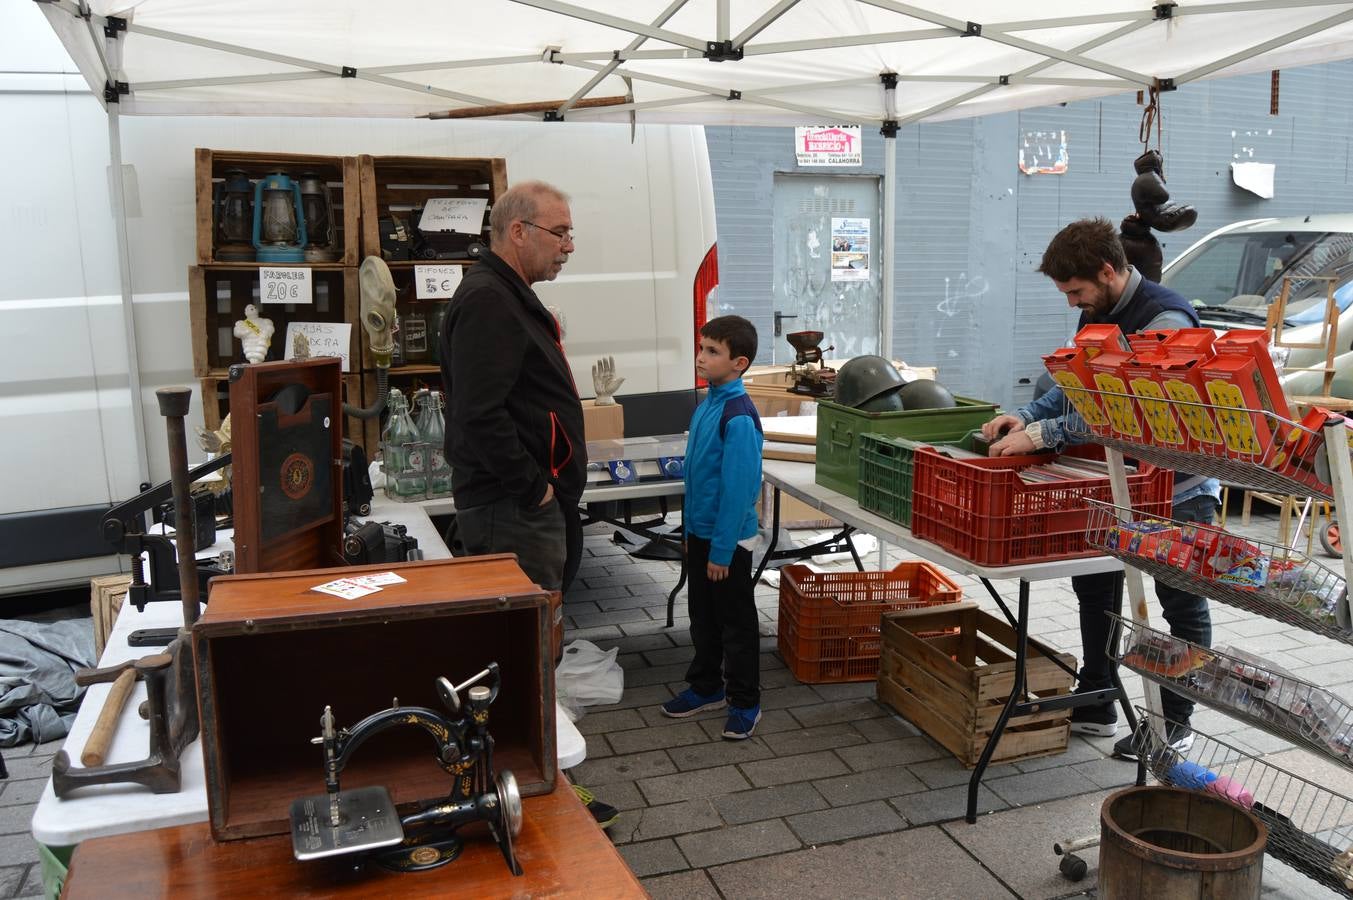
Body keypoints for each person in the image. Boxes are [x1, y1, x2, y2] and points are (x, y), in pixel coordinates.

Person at [981, 217, 1218, 759]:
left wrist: (1048, 433)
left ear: (1108, 272)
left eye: (1076, 291)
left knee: (1179, 602)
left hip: (1175, 488)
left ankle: (1171, 723)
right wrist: (1023, 417)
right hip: (1115, 484)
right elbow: (1073, 387)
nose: (1071, 303)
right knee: (1096, 587)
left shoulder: (1166, 319)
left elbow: (1135, 412)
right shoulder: (1098, 314)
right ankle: (1098, 695)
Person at [439, 180, 615, 825]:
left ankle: (531, 784)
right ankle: (528, 794)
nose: (570, 245)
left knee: (530, 648)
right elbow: (478, 416)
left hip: (524, 504)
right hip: (514, 509)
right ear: (518, 232)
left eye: (569, 233)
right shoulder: (490, 300)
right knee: (517, 655)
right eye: (559, 232)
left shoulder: (506, 296)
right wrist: (532, 484)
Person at [660, 316, 766, 740]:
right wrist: (690, 536)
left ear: (738, 362)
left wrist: (722, 550)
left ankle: (745, 701)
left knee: (735, 623)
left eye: (712, 351)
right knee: (702, 615)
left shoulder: (738, 416)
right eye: (701, 348)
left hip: (730, 542)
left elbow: (738, 490)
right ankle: (706, 687)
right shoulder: (708, 405)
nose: (701, 357)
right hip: (702, 535)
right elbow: (696, 479)